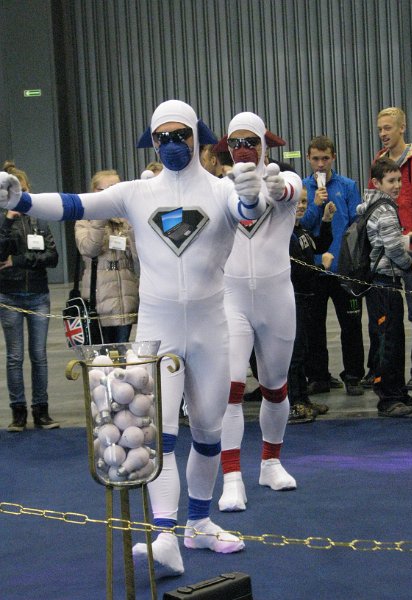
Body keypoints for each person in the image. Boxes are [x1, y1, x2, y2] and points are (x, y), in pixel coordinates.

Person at [0, 100, 267, 576]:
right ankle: (164, 535)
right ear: (151, 141)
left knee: (209, 433)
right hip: (158, 331)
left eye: (180, 135)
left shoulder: (221, 189)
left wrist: (251, 196)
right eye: (163, 137)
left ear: (197, 136)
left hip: (211, 328)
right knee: (157, 435)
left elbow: (249, 212)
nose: (172, 144)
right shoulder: (136, 193)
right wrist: (22, 200)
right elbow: (75, 204)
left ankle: (199, 523)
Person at [215, 112, 302, 512]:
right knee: (232, 388)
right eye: (235, 143)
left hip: (276, 298)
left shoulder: (286, 178)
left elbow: (287, 192)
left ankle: (270, 462)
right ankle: (232, 477)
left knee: (275, 386)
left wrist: (276, 187)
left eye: (250, 141)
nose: (243, 149)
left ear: (264, 143)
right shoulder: (220, 188)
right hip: (231, 298)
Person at [366, 107, 412, 390]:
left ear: (402, 128)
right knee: (383, 318)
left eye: (388, 128)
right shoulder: (379, 160)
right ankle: (379, 371)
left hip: (411, 248)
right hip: (383, 252)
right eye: (380, 129)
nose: (383, 134)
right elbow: (371, 198)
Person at [362, 157, 412, 417]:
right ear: (377, 183)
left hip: (382, 283)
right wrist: (409, 266)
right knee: (387, 342)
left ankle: (399, 393)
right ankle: (387, 399)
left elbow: (385, 241)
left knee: (394, 339)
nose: (397, 185)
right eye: (391, 181)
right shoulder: (386, 210)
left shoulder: (375, 206)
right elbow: (392, 249)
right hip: (384, 284)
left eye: (399, 180)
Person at [300, 136, 365, 396]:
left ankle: (353, 376)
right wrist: (316, 205)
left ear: (333, 158)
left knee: (351, 324)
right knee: (313, 326)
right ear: (308, 158)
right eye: (316, 158)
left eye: (325, 158)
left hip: (343, 269)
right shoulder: (302, 188)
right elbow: (301, 225)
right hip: (314, 268)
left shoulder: (348, 186)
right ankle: (318, 376)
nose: (320, 164)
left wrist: (350, 261)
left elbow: (356, 225)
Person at [0, 161, 59, 431]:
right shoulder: (3, 221)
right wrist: (8, 220)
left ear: (28, 191)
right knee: (14, 357)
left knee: (39, 355)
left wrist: (20, 260)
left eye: (22, 192)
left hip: (38, 295)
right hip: (9, 296)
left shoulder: (39, 220)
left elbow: (52, 257)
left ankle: (41, 410)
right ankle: (18, 412)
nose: (18, 197)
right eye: (13, 192)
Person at [75, 169, 139, 344]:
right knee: (101, 352)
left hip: (125, 295)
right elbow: (89, 249)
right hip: (99, 296)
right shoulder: (85, 220)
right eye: (108, 190)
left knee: (122, 348)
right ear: (96, 192)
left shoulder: (125, 220)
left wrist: (132, 223)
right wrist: (100, 216)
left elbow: (137, 255)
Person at [288, 188, 335, 423]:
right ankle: (294, 403)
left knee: (303, 350)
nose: (301, 205)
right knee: (294, 354)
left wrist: (325, 221)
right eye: (297, 202)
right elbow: (298, 269)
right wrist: (322, 268)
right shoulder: (285, 235)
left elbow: (319, 246)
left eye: (304, 201)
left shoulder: (301, 231)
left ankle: (303, 399)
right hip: (293, 298)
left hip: (306, 297)